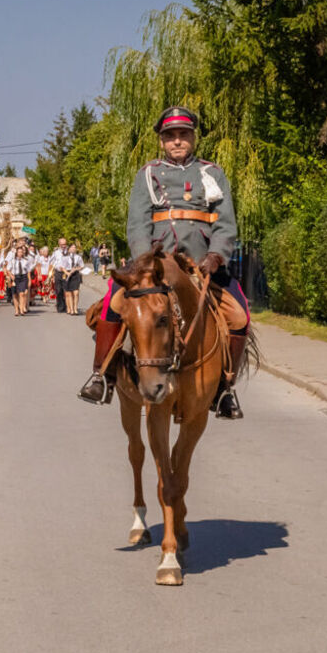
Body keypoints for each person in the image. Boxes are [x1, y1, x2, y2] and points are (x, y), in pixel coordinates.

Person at [77, 106, 250, 419]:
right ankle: (102, 376)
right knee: (113, 305)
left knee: (239, 317)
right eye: (170, 136)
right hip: (154, 265)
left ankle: (225, 388)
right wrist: (145, 262)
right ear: (161, 141)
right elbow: (137, 223)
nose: (177, 141)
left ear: (193, 137)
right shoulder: (147, 174)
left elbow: (225, 223)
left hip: (202, 265)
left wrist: (215, 256)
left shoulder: (213, 173)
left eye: (183, 134)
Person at [6, 245, 34, 316]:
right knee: (15, 295)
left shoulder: (26, 260)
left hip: (23, 277)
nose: (20, 253)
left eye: (21, 252)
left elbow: (28, 270)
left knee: (22, 293)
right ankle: (16, 310)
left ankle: (21, 309)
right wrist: (11, 276)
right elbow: (8, 269)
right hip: (15, 277)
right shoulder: (13, 260)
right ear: (16, 253)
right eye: (18, 252)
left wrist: (29, 279)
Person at [50, 239, 71, 313]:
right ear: (59, 244)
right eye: (62, 244)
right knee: (58, 290)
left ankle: (66, 306)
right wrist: (51, 275)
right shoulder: (56, 253)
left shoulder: (69, 252)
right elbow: (51, 263)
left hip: (66, 272)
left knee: (66, 290)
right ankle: (60, 306)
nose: (63, 246)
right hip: (58, 272)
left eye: (65, 244)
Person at [66, 247, 85, 314]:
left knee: (76, 293)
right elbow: (62, 266)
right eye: (72, 248)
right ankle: (71, 309)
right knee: (70, 293)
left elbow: (82, 266)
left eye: (74, 248)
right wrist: (67, 272)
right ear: (69, 249)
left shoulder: (78, 257)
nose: (73, 249)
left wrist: (77, 268)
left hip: (76, 275)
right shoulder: (65, 257)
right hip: (68, 275)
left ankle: (75, 308)